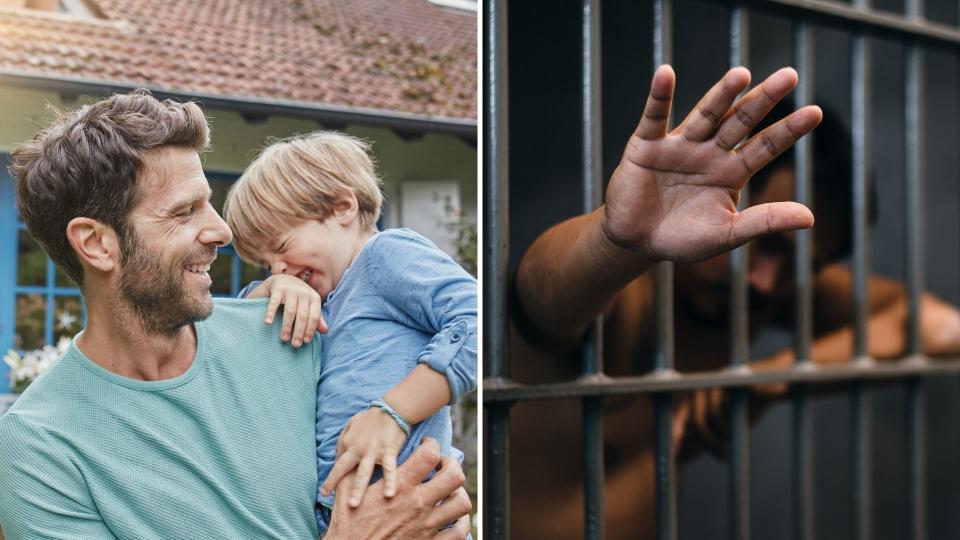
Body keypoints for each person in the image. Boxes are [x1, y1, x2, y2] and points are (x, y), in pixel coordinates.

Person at [507, 65, 960, 538]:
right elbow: (540, 301)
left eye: (801, 266)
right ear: (723, 197)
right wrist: (614, 241)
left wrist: (773, 376)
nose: (770, 283)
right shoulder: (632, 293)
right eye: (766, 244)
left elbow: (943, 328)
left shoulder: (761, 292)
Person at [0, 90, 471, 539]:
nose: (221, 230)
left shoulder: (291, 329)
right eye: (185, 212)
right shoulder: (41, 446)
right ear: (97, 244)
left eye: (209, 201)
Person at [221, 131, 477, 534]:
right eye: (266, 264)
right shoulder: (321, 299)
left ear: (342, 207)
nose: (277, 268)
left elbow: (476, 322)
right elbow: (238, 330)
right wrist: (268, 290)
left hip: (411, 503)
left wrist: (394, 412)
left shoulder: (383, 257)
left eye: (283, 246)